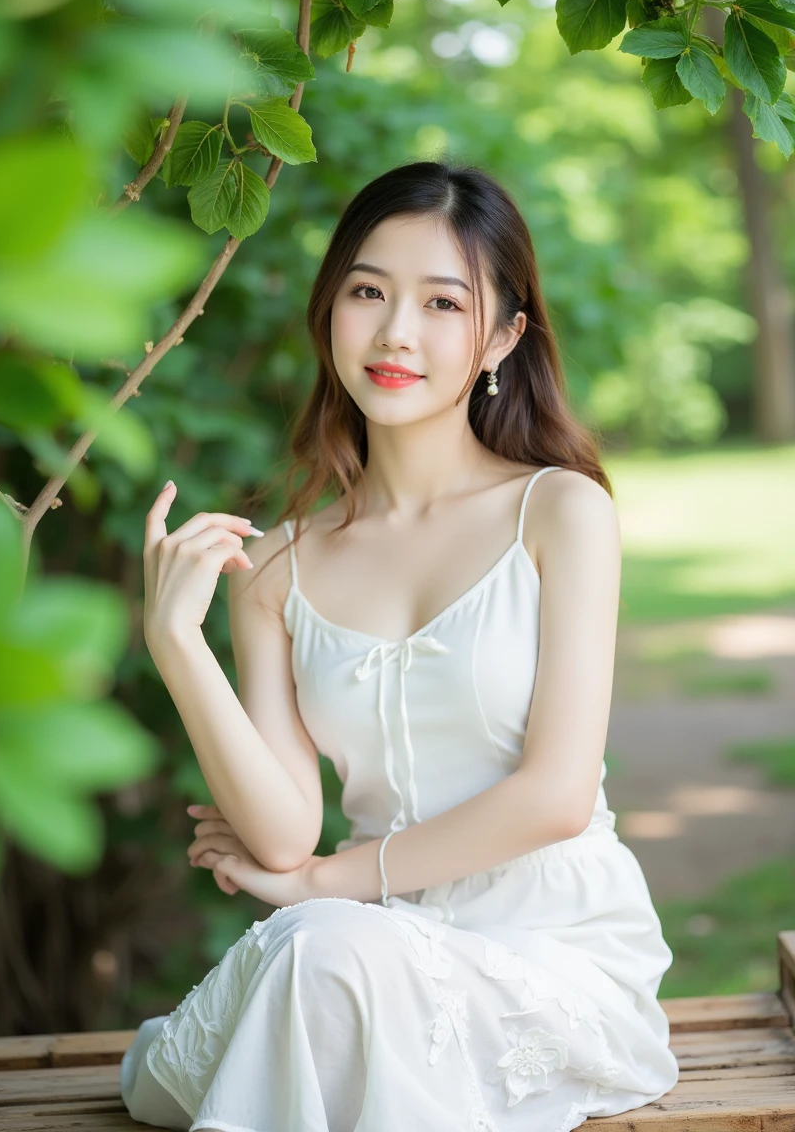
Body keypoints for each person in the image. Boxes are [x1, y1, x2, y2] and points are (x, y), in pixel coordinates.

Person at [120, 160, 680, 1132]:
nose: (394, 333)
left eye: (442, 303)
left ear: (505, 335)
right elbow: (285, 830)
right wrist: (176, 640)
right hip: (360, 951)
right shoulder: (281, 567)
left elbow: (554, 796)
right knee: (320, 969)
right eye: (367, 291)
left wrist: (321, 884)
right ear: (328, 308)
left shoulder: (558, 513)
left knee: (320, 955)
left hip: (546, 953)